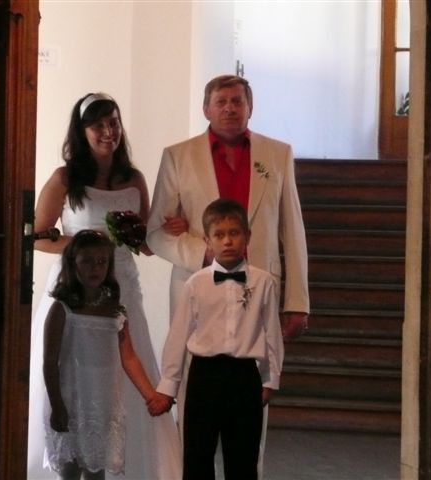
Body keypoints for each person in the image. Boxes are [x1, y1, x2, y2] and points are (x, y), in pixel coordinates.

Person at [146, 74, 310, 476]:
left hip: (258, 288)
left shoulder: (277, 154)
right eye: (221, 101)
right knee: (195, 411)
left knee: (250, 425)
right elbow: (156, 233)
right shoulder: (178, 156)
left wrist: (297, 300)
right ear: (206, 108)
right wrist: (202, 252)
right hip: (197, 288)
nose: (230, 108)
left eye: (237, 101)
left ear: (250, 107)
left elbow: (292, 230)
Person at [28, 92, 181, 479]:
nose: (108, 131)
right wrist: (87, 246)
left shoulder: (134, 178)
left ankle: (122, 463)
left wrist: (169, 228)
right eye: (98, 125)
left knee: (121, 364)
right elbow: (37, 237)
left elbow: (144, 244)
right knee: (74, 367)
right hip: (76, 285)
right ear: (82, 132)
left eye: (113, 123)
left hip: (122, 283)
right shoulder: (65, 178)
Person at [154, 198, 284, 480]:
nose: (227, 241)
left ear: (247, 236)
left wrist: (270, 378)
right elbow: (178, 336)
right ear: (207, 241)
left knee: (243, 458)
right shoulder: (196, 283)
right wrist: (168, 384)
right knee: (197, 455)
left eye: (234, 233)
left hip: (244, 376)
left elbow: (272, 333)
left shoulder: (263, 282)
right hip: (204, 376)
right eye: (219, 235)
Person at [43, 230, 167, 479]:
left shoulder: (115, 310)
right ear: (73, 263)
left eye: (102, 262)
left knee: (96, 466)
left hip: (103, 400)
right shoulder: (62, 309)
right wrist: (56, 404)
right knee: (70, 469)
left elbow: (128, 357)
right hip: (72, 398)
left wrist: (150, 394)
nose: (95, 268)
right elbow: (49, 362)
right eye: (87, 261)